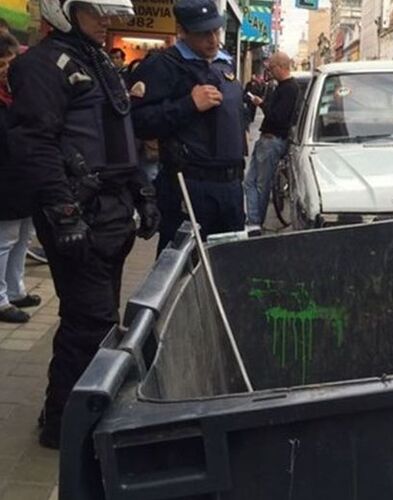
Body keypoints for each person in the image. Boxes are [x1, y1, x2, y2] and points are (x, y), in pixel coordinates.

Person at [7, 0, 160, 448]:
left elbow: (118, 136)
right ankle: (66, 429)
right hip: (78, 214)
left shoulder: (95, 61)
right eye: (95, 12)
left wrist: (141, 190)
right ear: (64, 10)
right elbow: (34, 143)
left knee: (98, 320)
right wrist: (63, 211)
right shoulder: (41, 66)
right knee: (90, 323)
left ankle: (69, 415)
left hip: (111, 211)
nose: (105, 21)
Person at [128, 0, 246, 252]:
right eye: (203, 33)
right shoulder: (163, 66)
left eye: (215, 30)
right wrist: (188, 105)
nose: (212, 39)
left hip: (231, 187)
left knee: (229, 261)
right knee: (180, 262)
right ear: (182, 31)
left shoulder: (224, 63)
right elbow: (138, 122)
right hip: (189, 187)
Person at [0, 29, 40, 324]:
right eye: (1, 63)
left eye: (8, 63)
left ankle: (16, 289)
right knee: (4, 240)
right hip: (5, 178)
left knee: (22, 238)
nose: (5, 69)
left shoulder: (16, 94)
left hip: (24, 176)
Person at [243, 52, 299, 233]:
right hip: (268, 139)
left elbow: (278, 117)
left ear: (280, 67)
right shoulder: (283, 87)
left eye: (272, 68)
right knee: (250, 182)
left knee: (259, 183)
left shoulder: (289, 89)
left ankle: (255, 222)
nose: (270, 72)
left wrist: (261, 104)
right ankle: (253, 220)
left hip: (272, 140)